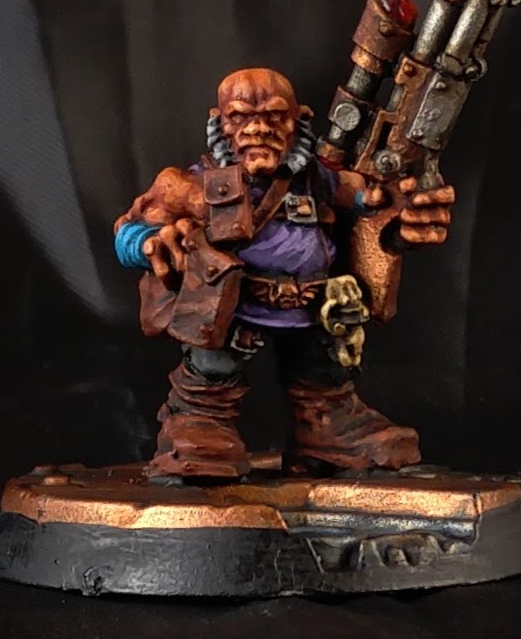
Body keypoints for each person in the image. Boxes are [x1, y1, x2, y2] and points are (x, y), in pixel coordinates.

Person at [114, 67, 455, 479]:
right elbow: (128, 231)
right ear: (219, 122)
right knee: (212, 372)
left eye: (274, 116)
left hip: (312, 308)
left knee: (324, 374)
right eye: (240, 117)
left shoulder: (319, 180)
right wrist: (151, 243)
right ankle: (198, 425)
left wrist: (406, 212)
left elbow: (374, 201)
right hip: (231, 308)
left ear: (298, 120)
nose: (258, 128)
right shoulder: (187, 185)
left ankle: (326, 428)